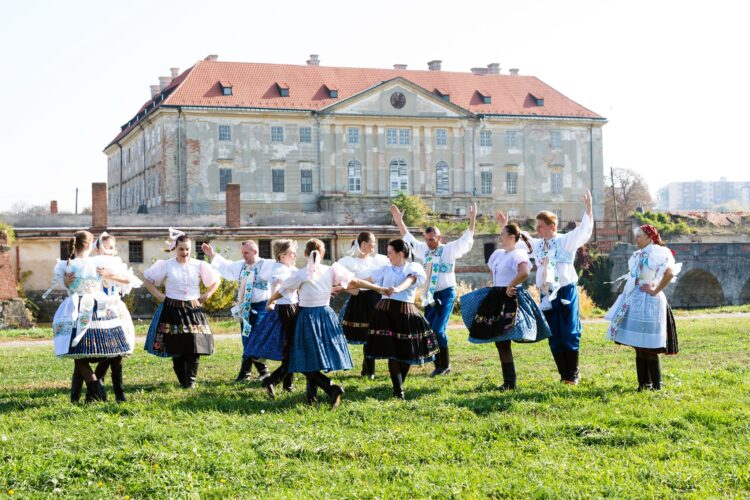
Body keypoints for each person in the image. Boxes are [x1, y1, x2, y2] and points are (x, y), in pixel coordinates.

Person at [265, 238, 388, 408]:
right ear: (323, 253)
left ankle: (331, 388)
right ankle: (311, 398)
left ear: (305, 254)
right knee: (313, 358)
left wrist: (270, 299)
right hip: (325, 315)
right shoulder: (331, 270)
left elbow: (283, 290)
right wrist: (379, 288)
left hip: (307, 317)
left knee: (303, 357)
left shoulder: (301, 273)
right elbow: (356, 282)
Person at [498, 190, 593, 385]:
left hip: (565, 291)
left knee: (569, 332)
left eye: (541, 226)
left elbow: (584, 230)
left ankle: (573, 373)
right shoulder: (538, 245)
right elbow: (520, 241)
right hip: (546, 296)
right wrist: (504, 226)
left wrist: (589, 208)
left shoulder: (565, 241)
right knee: (554, 335)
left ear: (552, 227)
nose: (537, 230)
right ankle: (564, 375)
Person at [460, 223, 552, 390]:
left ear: (511, 237)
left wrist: (510, 285)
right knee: (500, 342)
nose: (499, 237)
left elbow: (524, 273)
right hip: (496, 296)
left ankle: (510, 382)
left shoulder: (518, 254)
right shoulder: (498, 254)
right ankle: (509, 382)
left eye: (502, 234)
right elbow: (494, 272)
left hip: (509, 299)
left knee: (503, 340)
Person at [390, 203, 477, 376]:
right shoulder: (425, 251)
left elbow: (465, 240)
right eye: (427, 239)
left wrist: (472, 219)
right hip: (429, 295)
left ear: (439, 237)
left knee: (438, 329)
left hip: (446, 294)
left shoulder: (449, 250)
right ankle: (437, 365)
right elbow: (409, 240)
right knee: (429, 329)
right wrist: (399, 221)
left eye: (432, 239)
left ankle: (445, 365)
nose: (429, 242)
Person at [48, 231, 132, 403]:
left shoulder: (67, 264)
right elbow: (125, 279)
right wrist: (108, 275)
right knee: (111, 350)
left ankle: (92, 391)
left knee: (79, 354)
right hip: (96, 305)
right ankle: (97, 389)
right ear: (88, 245)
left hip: (75, 307)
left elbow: (66, 285)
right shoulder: (97, 262)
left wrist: (66, 283)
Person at [605, 224, 681, 390]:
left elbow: (669, 273)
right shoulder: (639, 254)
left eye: (639, 236)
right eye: (636, 235)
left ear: (649, 237)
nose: (636, 239)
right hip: (636, 300)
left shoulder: (658, 252)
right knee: (638, 344)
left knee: (649, 346)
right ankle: (643, 384)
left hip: (651, 302)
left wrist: (655, 290)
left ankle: (656, 384)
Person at [142, 229, 221, 388]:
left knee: (195, 345)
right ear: (175, 249)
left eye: (187, 249)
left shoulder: (199, 265)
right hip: (172, 309)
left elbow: (216, 280)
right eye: (181, 249)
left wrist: (206, 295)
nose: (184, 252)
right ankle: (182, 381)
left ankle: (191, 381)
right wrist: (159, 296)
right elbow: (148, 280)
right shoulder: (166, 265)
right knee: (176, 347)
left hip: (193, 309)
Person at [365, 239, 439, 399]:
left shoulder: (413, 268)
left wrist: (397, 288)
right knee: (392, 352)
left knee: (407, 352)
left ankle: (398, 384)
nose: (388, 255)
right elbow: (367, 281)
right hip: (385, 312)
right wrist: (345, 285)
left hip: (405, 312)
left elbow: (410, 280)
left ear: (401, 253)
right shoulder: (384, 269)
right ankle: (398, 391)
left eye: (390, 252)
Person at [203, 240, 274, 382]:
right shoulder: (241, 266)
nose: (244, 256)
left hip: (261, 309)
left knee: (255, 338)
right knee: (246, 338)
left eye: (246, 253)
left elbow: (282, 272)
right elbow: (226, 266)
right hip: (245, 309)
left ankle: (257, 371)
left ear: (255, 251)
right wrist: (212, 254)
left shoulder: (267, 265)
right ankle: (249, 372)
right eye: (242, 253)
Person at [243, 239, 299, 398]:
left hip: (292, 307)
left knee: (290, 349)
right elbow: (276, 285)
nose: (295, 256)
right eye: (291, 253)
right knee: (290, 349)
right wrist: (272, 301)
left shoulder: (289, 267)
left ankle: (287, 385)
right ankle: (273, 381)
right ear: (282, 255)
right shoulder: (280, 269)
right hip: (285, 309)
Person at [337, 231, 390, 379]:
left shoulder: (377, 261)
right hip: (359, 301)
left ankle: (369, 370)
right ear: (364, 244)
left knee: (372, 334)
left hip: (375, 299)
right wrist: (351, 288)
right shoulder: (350, 262)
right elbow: (340, 279)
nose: (374, 247)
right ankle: (367, 369)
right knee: (366, 334)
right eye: (372, 244)